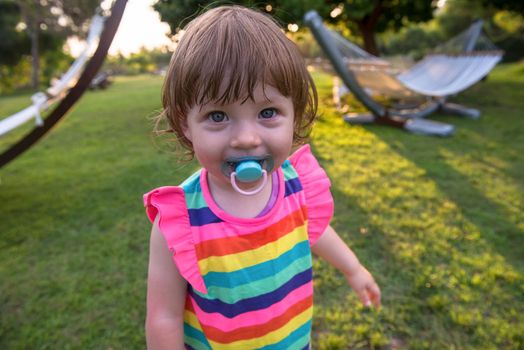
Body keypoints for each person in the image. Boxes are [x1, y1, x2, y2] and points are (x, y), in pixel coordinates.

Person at [143, 5, 380, 349]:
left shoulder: (294, 185)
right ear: (185, 123)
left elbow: (314, 230)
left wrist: (353, 268)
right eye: (218, 115)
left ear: (293, 115)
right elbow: (163, 316)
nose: (247, 138)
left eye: (267, 113)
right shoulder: (179, 221)